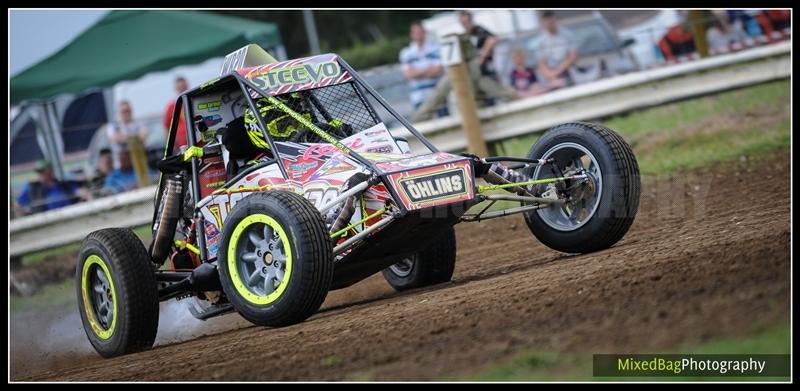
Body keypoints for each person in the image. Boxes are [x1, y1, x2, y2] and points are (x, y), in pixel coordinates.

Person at [399, 21, 448, 116]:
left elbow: (438, 71)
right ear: (411, 34)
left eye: (420, 32)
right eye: (416, 32)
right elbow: (408, 75)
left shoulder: (435, 48)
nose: (419, 35)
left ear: (425, 33)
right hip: (418, 97)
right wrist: (428, 70)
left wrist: (417, 72)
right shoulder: (406, 53)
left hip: (438, 94)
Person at [15, 160, 83, 215]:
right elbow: (18, 205)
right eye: (39, 172)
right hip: (47, 221)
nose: (40, 175)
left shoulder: (64, 185)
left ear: (50, 171)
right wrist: (30, 216)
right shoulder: (33, 189)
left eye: (42, 171)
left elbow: (81, 192)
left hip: (69, 215)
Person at [537, 11, 578, 87]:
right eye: (547, 21)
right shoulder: (541, 41)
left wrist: (557, 72)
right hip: (550, 75)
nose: (549, 23)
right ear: (543, 22)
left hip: (568, 71)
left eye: (551, 20)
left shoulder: (567, 35)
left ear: (555, 19)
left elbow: (573, 57)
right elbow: (541, 63)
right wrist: (551, 75)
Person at [106, 100, 149, 169]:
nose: (126, 113)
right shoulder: (113, 126)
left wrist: (125, 138)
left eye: (128, 110)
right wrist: (135, 138)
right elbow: (115, 137)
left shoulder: (139, 123)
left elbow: (144, 136)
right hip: (121, 167)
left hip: (140, 163)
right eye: (124, 111)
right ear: (119, 113)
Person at [458, 11, 499, 79]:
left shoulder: (478, 30)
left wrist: (483, 54)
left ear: (471, 20)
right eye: (463, 23)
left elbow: (493, 38)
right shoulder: (465, 35)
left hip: (487, 70)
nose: (465, 25)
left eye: (466, 22)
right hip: (476, 72)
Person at [164, 76, 189, 152]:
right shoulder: (171, 106)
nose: (182, 89)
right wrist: (170, 146)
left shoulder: (192, 102)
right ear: (176, 89)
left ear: (187, 86)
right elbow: (167, 128)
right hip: (180, 147)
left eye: (183, 87)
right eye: (179, 88)